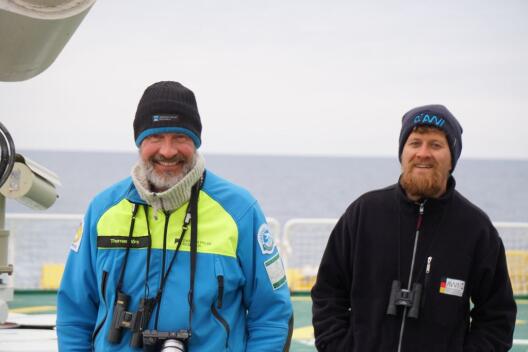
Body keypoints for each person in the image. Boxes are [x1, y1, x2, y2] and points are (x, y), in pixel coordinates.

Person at [57, 81, 293, 351]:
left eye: (180, 137)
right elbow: (74, 312)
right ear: (139, 142)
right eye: (155, 137)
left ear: (196, 142)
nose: (167, 151)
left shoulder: (240, 211)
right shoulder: (102, 210)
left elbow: (272, 315)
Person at [311, 105, 517, 351]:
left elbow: (497, 317)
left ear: (452, 158)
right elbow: (328, 293)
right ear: (402, 152)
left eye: (436, 145)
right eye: (415, 142)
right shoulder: (363, 213)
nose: (423, 153)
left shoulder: (476, 229)